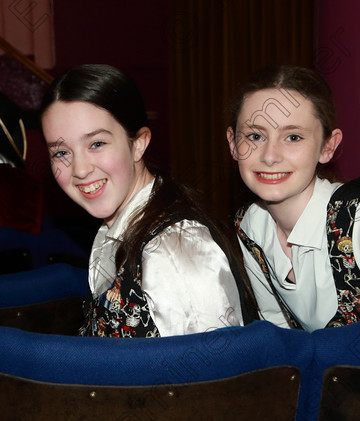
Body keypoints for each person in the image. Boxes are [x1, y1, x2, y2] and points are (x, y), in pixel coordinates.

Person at [40, 64, 256, 337]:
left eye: (97, 144)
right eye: (61, 153)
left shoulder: (174, 246)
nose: (80, 169)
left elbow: (213, 373)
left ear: (138, 143)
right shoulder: (119, 225)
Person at [227, 65, 360, 331]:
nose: (269, 156)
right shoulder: (250, 225)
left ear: (328, 146)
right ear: (233, 143)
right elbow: (278, 335)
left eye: (293, 137)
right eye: (255, 136)